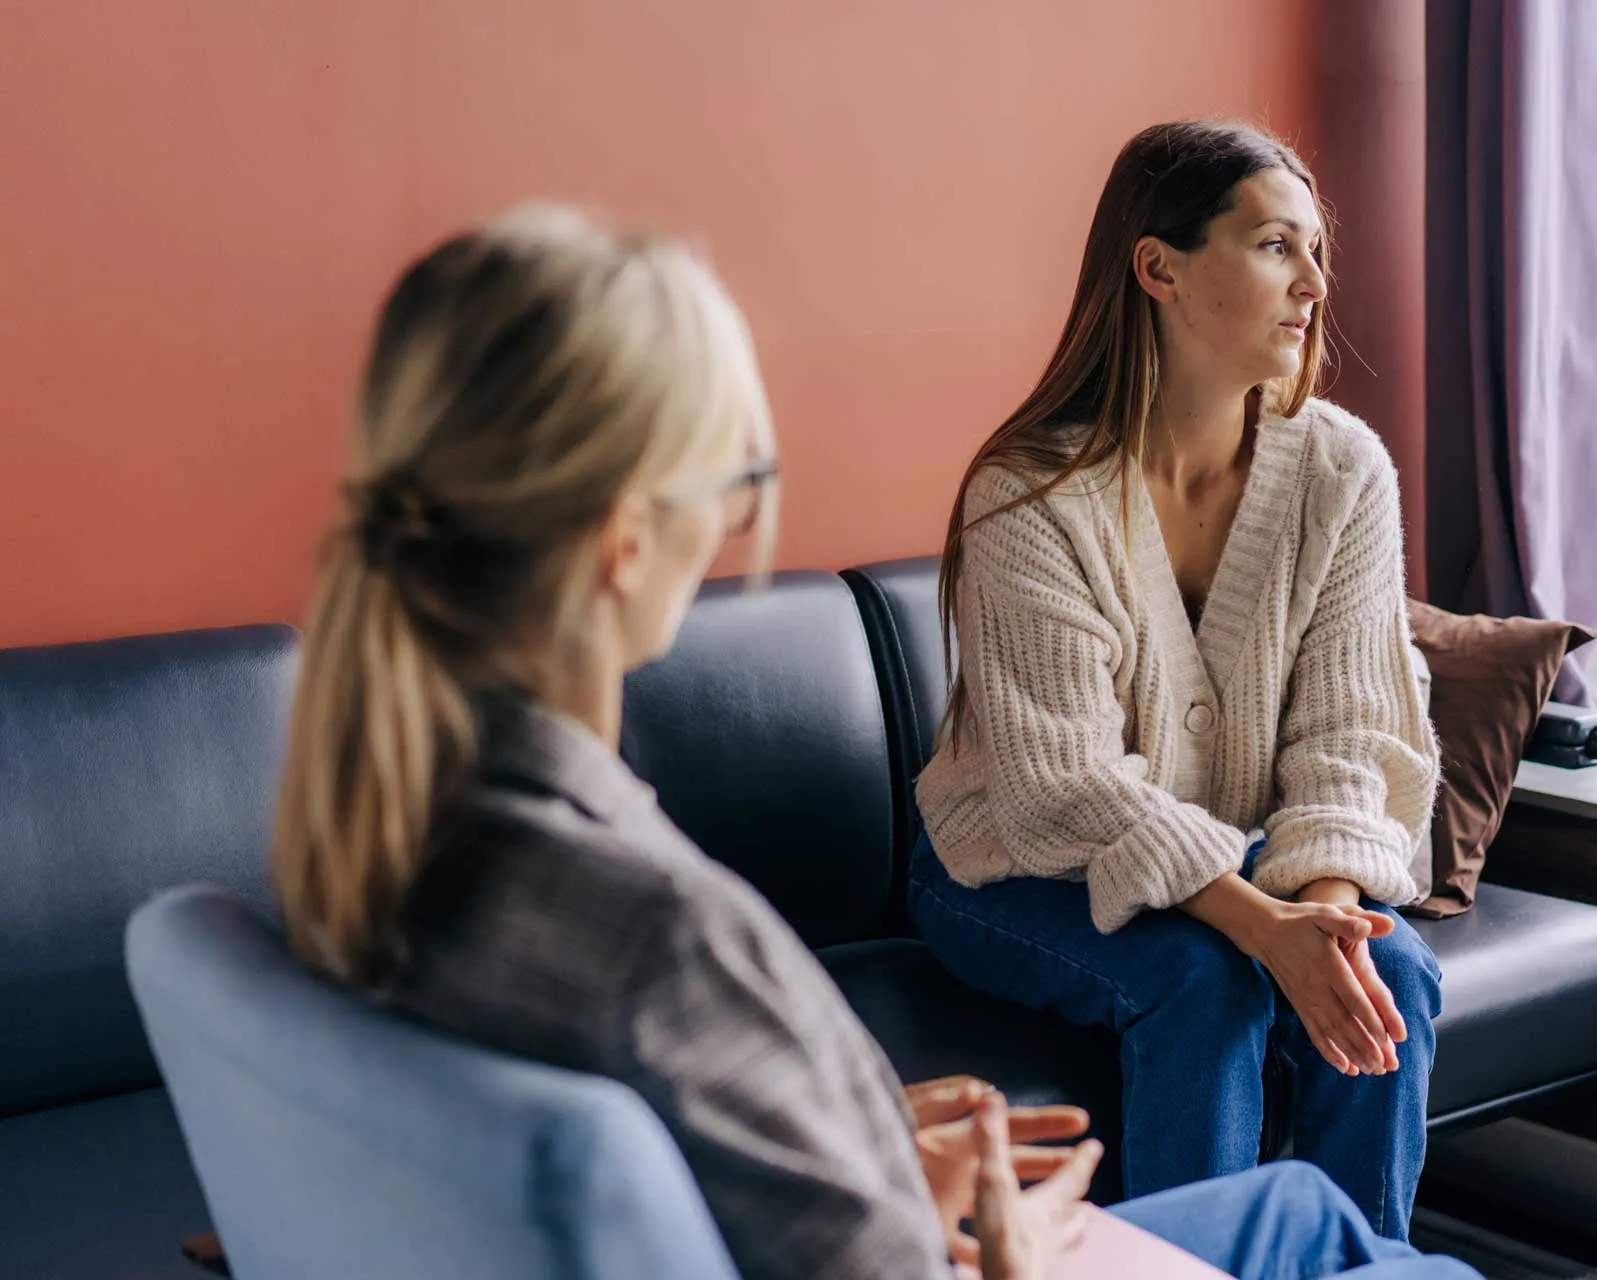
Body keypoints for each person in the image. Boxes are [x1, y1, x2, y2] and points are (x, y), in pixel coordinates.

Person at [268, 204, 1475, 1279]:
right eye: (735, 477)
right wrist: (992, 1236)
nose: (743, 517)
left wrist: (858, 1139)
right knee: (1348, 1233)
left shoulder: (367, 844)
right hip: (1018, 946)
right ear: (626, 542)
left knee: (1323, 1188)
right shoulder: (670, 937)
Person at [911, 119, 1444, 1240]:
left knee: (1396, 974)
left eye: (1316, 252)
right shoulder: (1031, 494)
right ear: (1159, 267)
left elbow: (1353, 731)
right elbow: (1063, 787)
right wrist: (1259, 923)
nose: (1313, 283)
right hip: (1010, 861)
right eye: (1274, 247)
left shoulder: (1342, 467)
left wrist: (1329, 915)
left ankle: (1353, 1267)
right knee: (1203, 983)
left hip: (1228, 853)